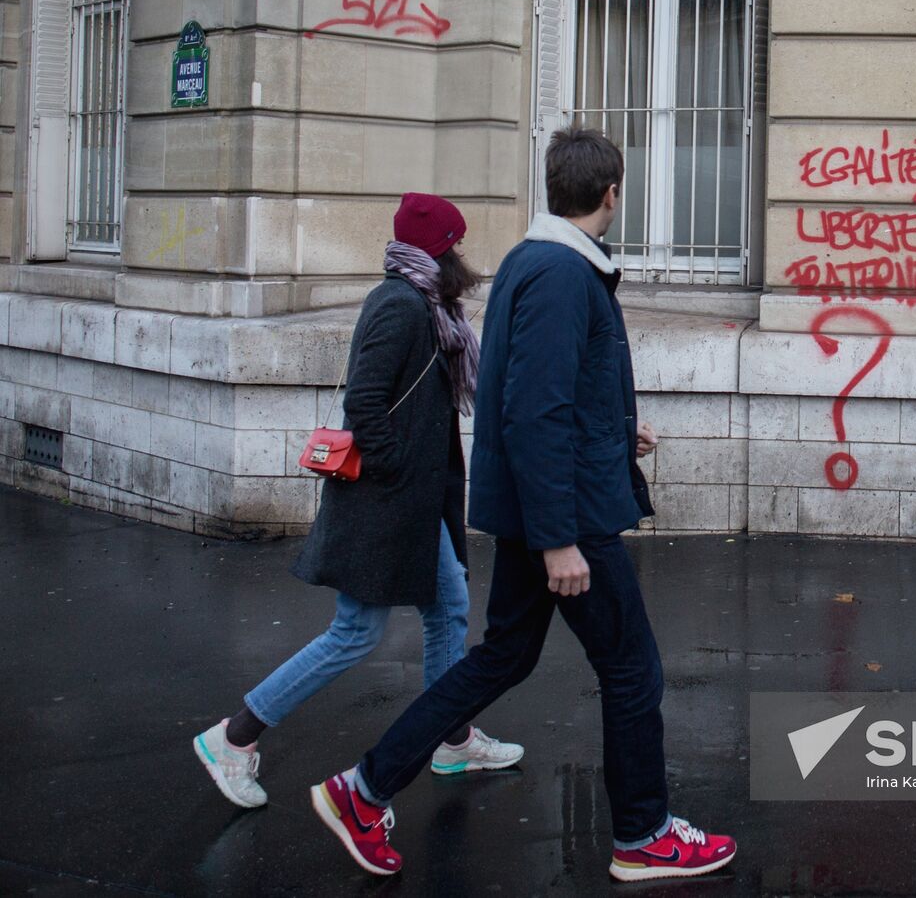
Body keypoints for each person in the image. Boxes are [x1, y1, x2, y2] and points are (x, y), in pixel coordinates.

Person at [310, 128, 737, 882]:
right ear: (613, 193)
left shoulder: (531, 262)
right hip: (564, 519)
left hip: (544, 506)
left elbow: (533, 391)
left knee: (504, 655)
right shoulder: (562, 273)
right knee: (633, 670)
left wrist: (613, 428)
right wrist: (558, 539)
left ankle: (364, 788)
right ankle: (643, 834)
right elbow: (533, 411)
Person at [193, 193, 523, 809]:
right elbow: (365, 404)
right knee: (354, 634)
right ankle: (235, 738)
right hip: (384, 508)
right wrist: (400, 472)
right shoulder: (399, 306)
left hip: (418, 508)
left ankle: (450, 737)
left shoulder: (427, 306)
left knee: (448, 610)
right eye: (453, 246)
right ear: (435, 251)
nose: (461, 258)